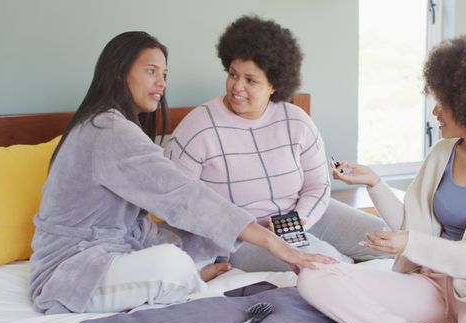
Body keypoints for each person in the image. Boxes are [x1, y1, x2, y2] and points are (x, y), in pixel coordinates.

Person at [29, 31, 334, 315]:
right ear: (119, 73)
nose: (161, 83)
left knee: (194, 247)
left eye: (164, 74)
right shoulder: (108, 130)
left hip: (110, 253)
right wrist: (273, 243)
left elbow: (143, 222)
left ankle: (187, 276)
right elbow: (185, 196)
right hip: (70, 274)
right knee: (172, 262)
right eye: (151, 71)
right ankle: (190, 280)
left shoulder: (114, 125)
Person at [297, 33, 466, 323]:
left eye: (443, 103)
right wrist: (374, 182)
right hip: (431, 283)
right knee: (314, 277)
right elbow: (412, 228)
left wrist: (409, 243)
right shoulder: (443, 152)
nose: (435, 112)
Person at [165, 15, 389, 272]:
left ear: (274, 85)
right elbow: (178, 203)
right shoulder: (198, 128)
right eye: (233, 74)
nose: (237, 87)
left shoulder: (297, 121)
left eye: (251, 80)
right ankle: (346, 270)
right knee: (323, 264)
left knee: (388, 239)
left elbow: (317, 185)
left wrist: (299, 221)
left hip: (302, 217)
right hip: (242, 238)